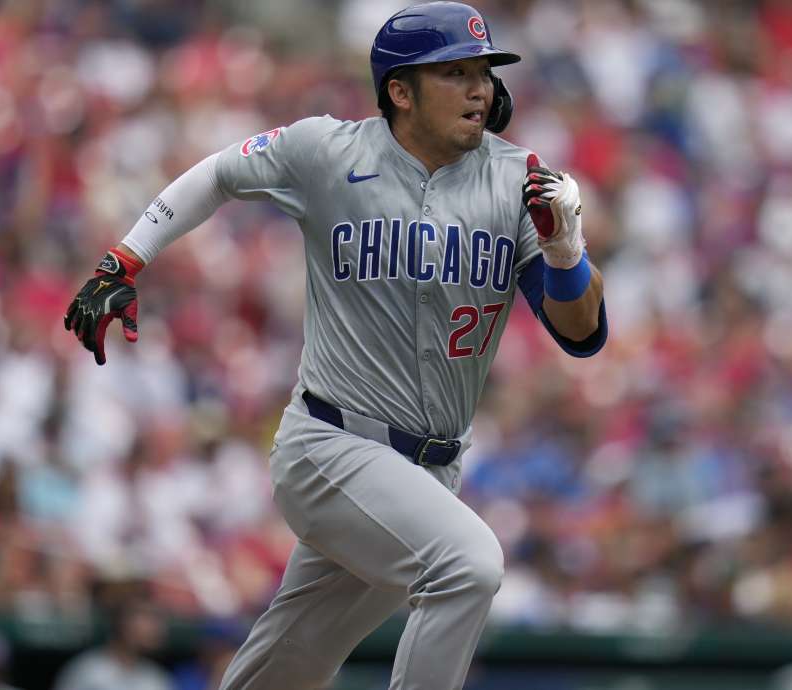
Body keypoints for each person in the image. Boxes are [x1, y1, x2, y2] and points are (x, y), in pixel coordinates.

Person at [62, 2, 607, 689]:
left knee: (289, 664)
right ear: (399, 92)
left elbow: (581, 333)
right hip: (330, 445)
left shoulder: (517, 180)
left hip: (426, 473)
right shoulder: (328, 149)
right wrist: (125, 259)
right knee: (468, 565)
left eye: (485, 73)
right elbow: (217, 173)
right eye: (456, 73)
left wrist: (566, 250)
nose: (480, 89)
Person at [52, 598, 173, 690]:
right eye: (147, 617)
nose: (157, 627)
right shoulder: (87, 671)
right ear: (122, 622)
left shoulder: (156, 678)